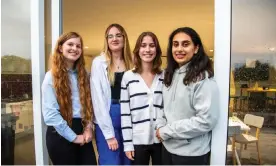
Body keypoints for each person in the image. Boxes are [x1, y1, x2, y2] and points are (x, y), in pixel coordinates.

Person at [155, 27, 219, 165]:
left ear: (196, 48)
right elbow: (162, 108)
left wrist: (166, 131)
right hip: (167, 148)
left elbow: (206, 120)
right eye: (175, 44)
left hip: (191, 154)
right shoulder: (169, 74)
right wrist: (160, 127)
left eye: (185, 44)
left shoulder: (202, 78)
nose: (179, 49)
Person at [41, 32, 96, 165]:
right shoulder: (51, 77)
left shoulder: (85, 76)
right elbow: (51, 114)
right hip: (60, 133)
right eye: (70, 44)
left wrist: (89, 127)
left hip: (82, 129)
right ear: (60, 48)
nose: (75, 48)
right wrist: (74, 137)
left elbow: (89, 104)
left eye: (78, 46)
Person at [90, 23, 133, 165]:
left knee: (129, 160)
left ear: (124, 38)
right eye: (110, 36)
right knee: (111, 162)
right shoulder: (99, 63)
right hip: (108, 115)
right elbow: (98, 100)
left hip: (129, 116)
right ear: (106, 40)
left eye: (118, 35)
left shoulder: (133, 62)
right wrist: (109, 135)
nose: (114, 39)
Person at [120, 32, 163, 165]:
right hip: (137, 140)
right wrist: (127, 144)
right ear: (138, 50)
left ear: (157, 50)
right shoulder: (128, 77)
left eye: (152, 45)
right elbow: (125, 112)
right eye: (143, 45)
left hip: (162, 139)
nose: (148, 50)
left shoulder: (165, 76)